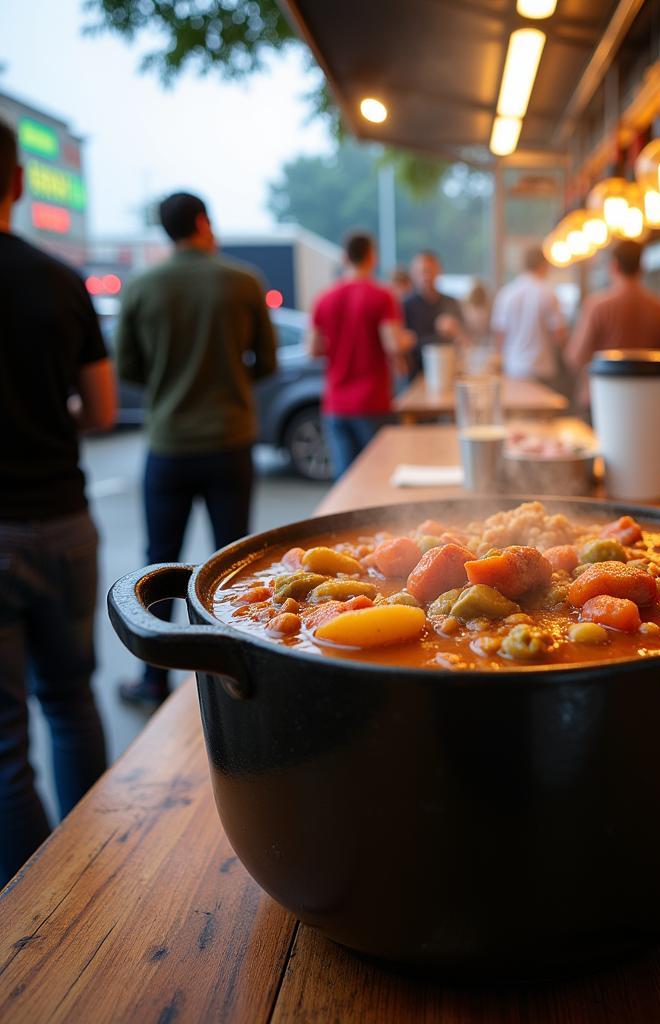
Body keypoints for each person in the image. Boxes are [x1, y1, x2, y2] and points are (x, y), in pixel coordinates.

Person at [0, 119, 116, 884]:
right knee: (72, 700)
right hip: (65, 524)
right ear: (16, 181)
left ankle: (33, 902)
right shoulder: (56, 279)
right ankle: (90, 875)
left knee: (4, 739)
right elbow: (102, 412)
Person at [115, 192, 277, 707]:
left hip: (169, 444)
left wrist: (170, 384)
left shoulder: (141, 287)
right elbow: (267, 361)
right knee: (233, 562)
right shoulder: (243, 281)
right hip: (230, 440)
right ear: (203, 222)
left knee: (158, 563)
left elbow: (128, 371)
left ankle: (153, 681)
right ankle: (237, 674)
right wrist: (230, 378)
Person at [309, 232, 409, 479]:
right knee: (377, 477)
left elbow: (312, 350)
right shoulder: (382, 296)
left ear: (345, 258)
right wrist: (409, 339)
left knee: (346, 481)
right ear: (371, 257)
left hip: (336, 402)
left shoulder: (324, 298)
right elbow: (392, 344)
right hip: (372, 401)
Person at [565, 239, 660, 403]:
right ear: (641, 268)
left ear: (613, 266)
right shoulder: (659, 308)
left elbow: (575, 357)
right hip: (646, 401)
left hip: (601, 400)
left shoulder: (597, 306)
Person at [491, 248, 566, 384]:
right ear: (543, 264)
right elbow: (558, 335)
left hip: (514, 367)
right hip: (542, 367)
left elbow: (500, 335)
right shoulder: (548, 293)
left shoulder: (507, 293)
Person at [401, 250, 463, 384]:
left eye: (429, 271)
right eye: (421, 272)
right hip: (415, 378)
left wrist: (456, 331)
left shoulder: (451, 303)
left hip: (448, 374)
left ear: (438, 271)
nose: (426, 276)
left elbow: (466, 342)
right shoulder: (405, 306)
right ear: (413, 274)